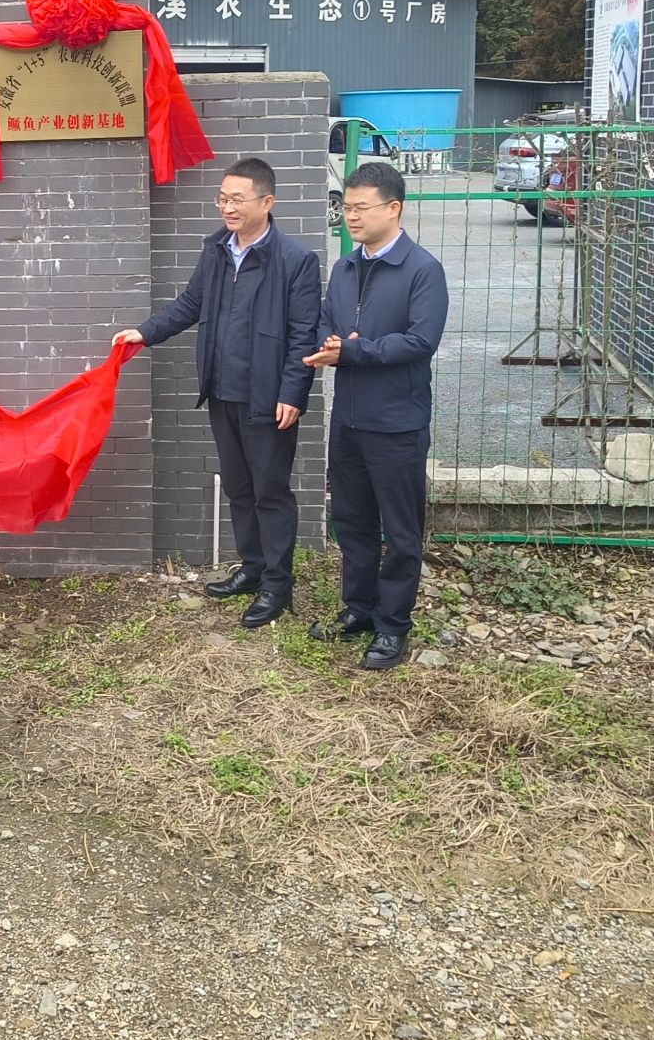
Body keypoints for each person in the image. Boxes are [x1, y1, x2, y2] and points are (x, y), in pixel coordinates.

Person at [115, 157, 320, 629]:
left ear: (267, 203)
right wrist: (144, 333)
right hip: (222, 392)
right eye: (222, 198)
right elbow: (191, 304)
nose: (227, 207)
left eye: (237, 199)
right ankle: (251, 569)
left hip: (269, 399)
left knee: (270, 492)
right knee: (240, 487)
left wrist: (293, 391)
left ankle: (276, 586)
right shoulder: (216, 251)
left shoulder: (295, 260)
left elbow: (303, 333)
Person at [303, 160, 449, 671]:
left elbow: (420, 342)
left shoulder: (422, 270)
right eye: (346, 207)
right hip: (348, 420)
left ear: (394, 208)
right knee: (352, 522)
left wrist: (355, 352)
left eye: (361, 207)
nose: (351, 216)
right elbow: (329, 322)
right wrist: (327, 345)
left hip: (397, 424)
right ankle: (359, 610)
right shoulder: (345, 267)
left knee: (401, 531)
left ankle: (393, 627)